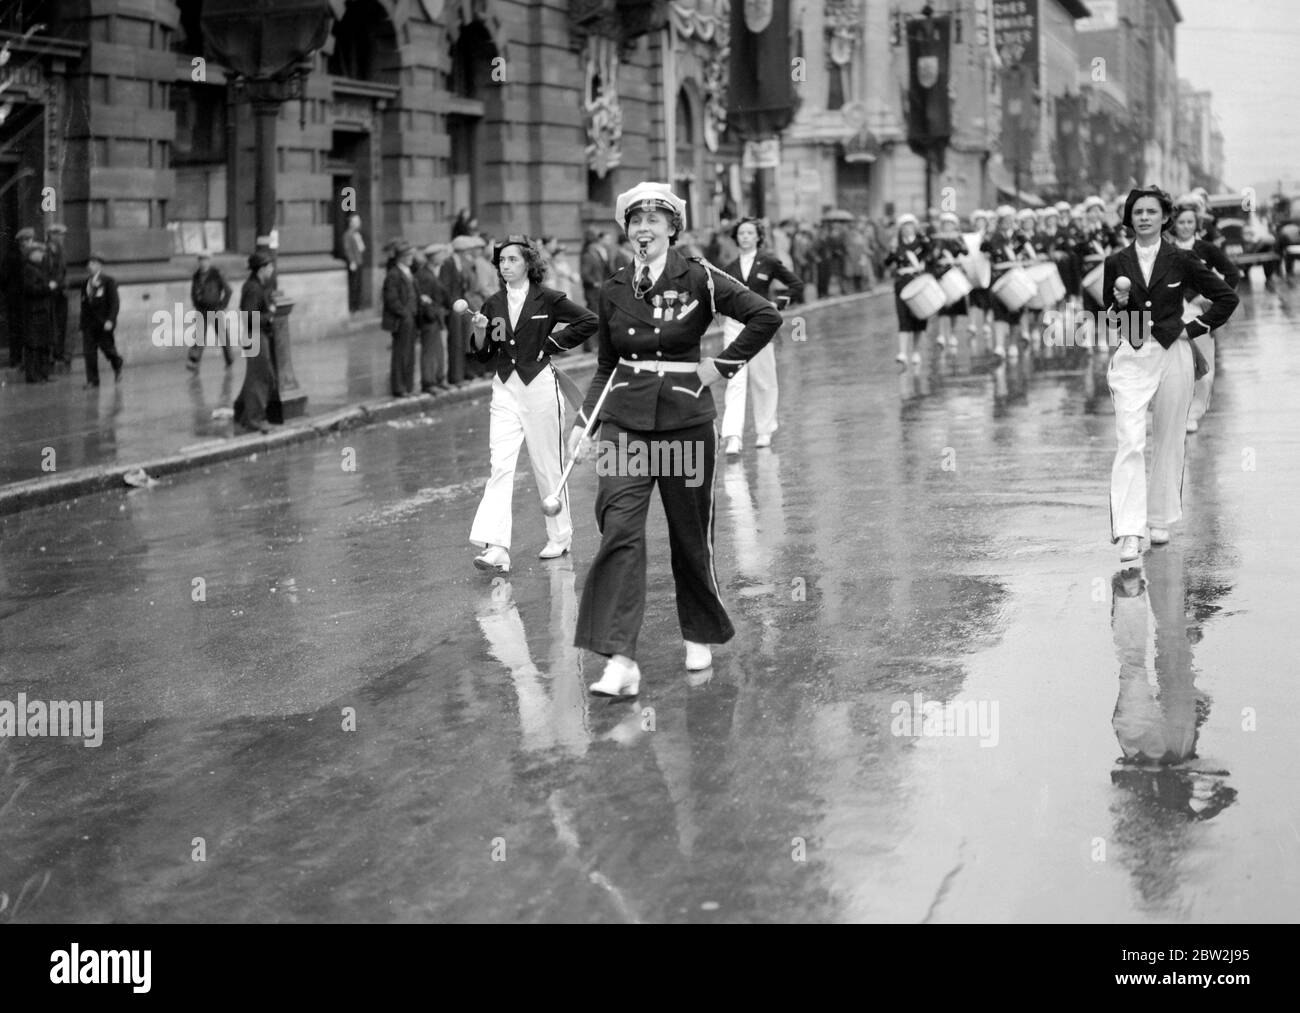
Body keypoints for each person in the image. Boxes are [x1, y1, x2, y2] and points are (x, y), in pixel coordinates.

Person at [567, 181, 782, 698]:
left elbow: (764, 315)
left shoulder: (701, 277)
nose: (644, 229)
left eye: (654, 220)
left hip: (685, 422)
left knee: (690, 537)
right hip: (625, 422)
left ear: (672, 229)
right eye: (635, 221)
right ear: (627, 231)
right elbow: (606, 366)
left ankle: (699, 631)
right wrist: (584, 422)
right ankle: (620, 659)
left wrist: (722, 366)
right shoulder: (614, 286)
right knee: (618, 529)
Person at [1104, 186, 1238, 562]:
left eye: (1151, 211)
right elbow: (1109, 318)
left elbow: (1227, 297)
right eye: (1137, 212)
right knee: (1130, 439)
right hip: (1131, 356)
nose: (1144, 217)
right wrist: (1118, 308)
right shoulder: (1116, 262)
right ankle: (1130, 531)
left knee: (1168, 438)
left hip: (1174, 353)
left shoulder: (1182, 258)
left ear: (1165, 218)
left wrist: (1191, 329)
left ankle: (1160, 518)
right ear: (1129, 219)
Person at [467, 235, 598, 572]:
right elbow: (484, 355)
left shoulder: (549, 299)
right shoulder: (492, 305)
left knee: (547, 464)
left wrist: (551, 343)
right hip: (505, 390)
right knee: (500, 466)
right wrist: (481, 332)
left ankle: (560, 535)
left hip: (540, 387)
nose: (505, 266)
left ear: (528, 263)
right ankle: (496, 545)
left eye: (511, 259)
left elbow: (589, 321)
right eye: (501, 261)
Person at [718, 217, 804, 454]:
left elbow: (796, 284)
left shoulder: (768, 261)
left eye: (749, 233)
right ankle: (733, 436)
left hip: (760, 326)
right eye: (741, 233)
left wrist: (777, 304)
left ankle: (764, 430)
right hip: (734, 326)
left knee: (763, 379)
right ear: (736, 238)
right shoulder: (728, 268)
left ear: (758, 237)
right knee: (734, 379)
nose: (745, 237)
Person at [1169, 199, 1239, 433]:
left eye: (1190, 222)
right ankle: (1177, 411)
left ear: (1197, 224)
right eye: (1181, 222)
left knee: (1202, 365)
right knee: (1175, 366)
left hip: (1197, 314)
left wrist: (1211, 298)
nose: (1186, 226)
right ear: (1173, 224)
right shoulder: (1165, 249)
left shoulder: (1207, 249)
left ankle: (1195, 412)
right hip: (1170, 312)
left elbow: (1232, 273)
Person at [232, 251, 280, 432]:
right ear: (262, 269)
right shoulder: (253, 288)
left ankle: (241, 413)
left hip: (256, 336)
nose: (272, 269)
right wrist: (269, 316)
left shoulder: (257, 286)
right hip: (255, 336)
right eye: (270, 266)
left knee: (257, 377)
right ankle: (255, 420)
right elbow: (249, 317)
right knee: (260, 378)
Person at [885, 213, 932, 368]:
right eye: (904, 226)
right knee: (903, 317)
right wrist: (892, 252)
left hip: (918, 282)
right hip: (902, 284)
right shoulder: (897, 246)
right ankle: (903, 352)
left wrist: (924, 239)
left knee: (918, 318)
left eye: (910, 226)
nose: (907, 229)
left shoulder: (921, 243)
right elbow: (887, 263)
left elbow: (930, 252)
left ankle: (916, 351)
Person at [381, 239, 419, 397]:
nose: (412, 258)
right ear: (401, 257)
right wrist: (405, 314)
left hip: (410, 319)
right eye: (409, 255)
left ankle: (408, 386)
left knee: (409, 353)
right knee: (400, 354)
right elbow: (391, 299)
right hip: (402, 321)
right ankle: (399, 387)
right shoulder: (394, 274)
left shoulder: (407, 272)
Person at [79, 252, 122, 388]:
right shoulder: (86, 282)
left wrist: (110, 320)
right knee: (89, 353)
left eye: (93, 263)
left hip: (103, 324)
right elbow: (84, 304)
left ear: (99, 265)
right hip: (89, 324)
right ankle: (92, 380)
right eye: (89, 263)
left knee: (108, 350)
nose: (89, 266)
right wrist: (82, 323)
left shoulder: (108, 281)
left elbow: (114, 303)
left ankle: (117, 363)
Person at [439, 235, 478, 385]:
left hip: (462, 305)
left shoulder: (460, 262)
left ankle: (463, 373)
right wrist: (453, 304)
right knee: (456, 342)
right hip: (454, 307)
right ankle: (456, 376)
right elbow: (446, 287)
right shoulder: (449, 263)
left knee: (464, 340)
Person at [187, 252, 234, 371]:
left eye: (206, 260)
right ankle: (194, 362)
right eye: (201, 260)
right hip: (202, 309)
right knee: (199, 336)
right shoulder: (196, 275)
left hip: (215, 309)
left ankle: (229, 360)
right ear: (199, 261)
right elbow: (193, 292)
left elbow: (228, 290)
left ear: (209, 261)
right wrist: (196, 304)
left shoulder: (216, 274)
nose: (203, 262)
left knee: (223, 336)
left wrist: (222, 305)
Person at [415, 244, 451, 392]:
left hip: (437, 316)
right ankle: (428, 382)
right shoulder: (424, 275)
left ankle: (439, 378)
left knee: (439, 350)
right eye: (441, 255)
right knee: (429, 351)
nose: (443, 258)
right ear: (433, 257)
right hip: (429, 318)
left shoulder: (435, 272)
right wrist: (432, 313)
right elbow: (424, 299)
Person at [22, 240, 56, 383]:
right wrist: (48, 287)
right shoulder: (29, 269)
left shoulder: (37, 268)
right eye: (39, 252)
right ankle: (34, 376)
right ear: (32, 254)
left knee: (42, 343)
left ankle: (43, 374)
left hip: (41, 311)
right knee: (34, 345)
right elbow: (31, 290)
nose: (42, 255)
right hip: (34, 312)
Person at [46, 223, 70, 368]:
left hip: (61, 292)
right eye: (59, 235)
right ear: (52, 235)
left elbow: (63, 271)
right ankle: (52, 354)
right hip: (52, 292)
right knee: (53, 324)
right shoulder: (48, 250)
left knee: (61, 324)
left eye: (62, 235)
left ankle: (58, 352)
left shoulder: (60, 250)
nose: (62, 237)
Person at [342, 214, 366, 312]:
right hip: (354, 263)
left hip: (359, 261)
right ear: (351, 223)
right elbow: (347, 249)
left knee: (358, 284)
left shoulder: (357, 234)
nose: (359, 224)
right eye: (356, 222)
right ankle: (353, 306)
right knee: (354, 285)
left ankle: (357, 305)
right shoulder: (348, 234)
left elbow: (361, 248)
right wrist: (352, 261)